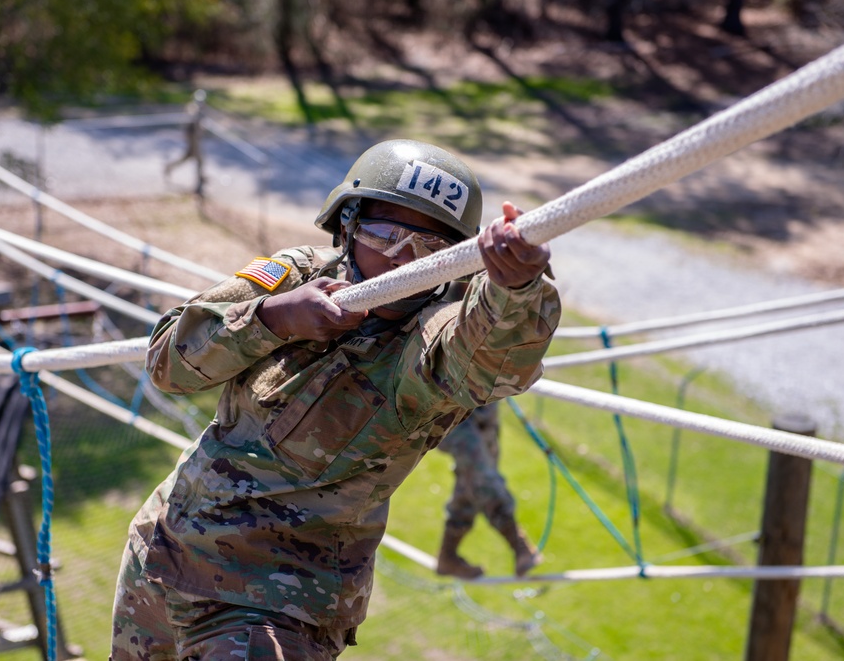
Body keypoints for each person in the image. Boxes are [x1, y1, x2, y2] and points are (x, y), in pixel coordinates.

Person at [110, 139, 562, 660]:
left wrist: (517, 287)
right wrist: (274, 319)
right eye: (386, 235)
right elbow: (167, 362)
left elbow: (492, 360)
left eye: (430, 249)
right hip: (161, 554)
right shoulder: (296, 275)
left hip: (274, 604)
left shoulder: (430, 337)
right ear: (348, 224)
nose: (403, 260)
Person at [435, 401, 541, 579]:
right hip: (452, 409)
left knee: (470, 482)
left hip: (484, 407)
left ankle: (447, 556)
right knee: (482, 480)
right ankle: (519, 546)